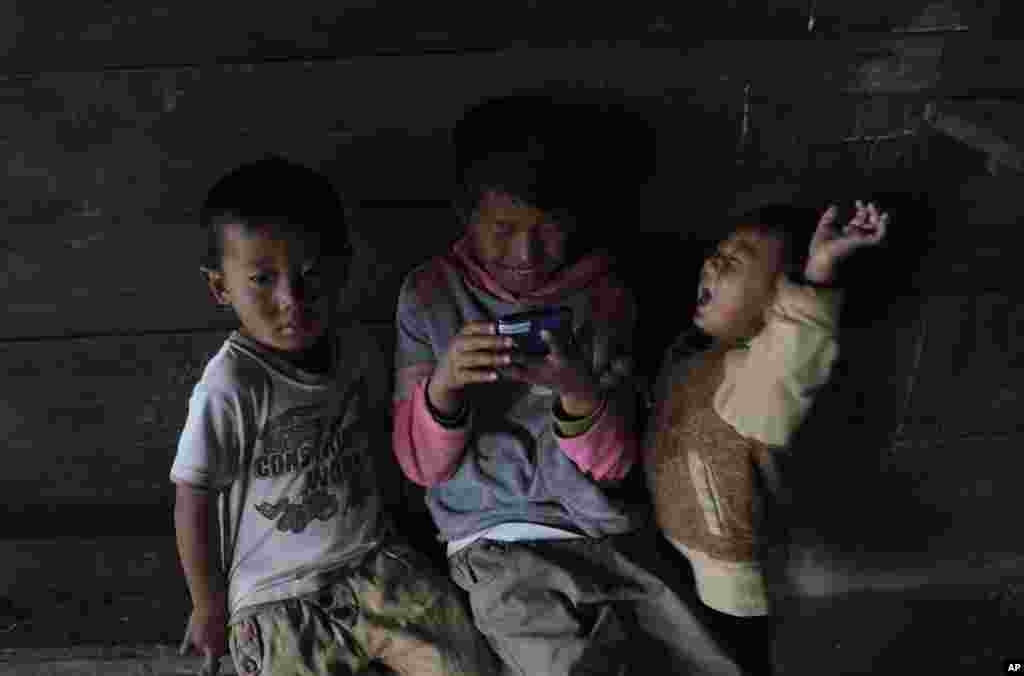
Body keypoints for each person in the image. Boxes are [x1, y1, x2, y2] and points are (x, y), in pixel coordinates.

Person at [392, 147, 744, 675]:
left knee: (703, 662)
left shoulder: (602, 296)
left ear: (575, 222)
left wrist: (577, 391)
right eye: (503, 227)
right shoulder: (429, 297)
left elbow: (614, 466)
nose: (527, 251)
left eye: (549, 228)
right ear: (467, 217)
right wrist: (444, 388)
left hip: (602, 532)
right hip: (494, 541)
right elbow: (422, 468)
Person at [172, 156, 499, 676]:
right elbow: (192, 498)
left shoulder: (356, 351)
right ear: (221, 288)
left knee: (464, 661)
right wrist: (207, 606)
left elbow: (374, 444)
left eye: (310, 275)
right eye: (262, 279)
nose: (291, 300)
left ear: (342, 266)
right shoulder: (231, 387)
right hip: (278, 596)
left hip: (374, 564)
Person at [644, 201, 889, 674]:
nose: (713, 262)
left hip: (728, 588)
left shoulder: (754, 384)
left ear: (775, 303)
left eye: (734, 262)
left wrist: (817, 271)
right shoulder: (690, 355)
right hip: (675, 550)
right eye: (717, 253)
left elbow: (791, 351)